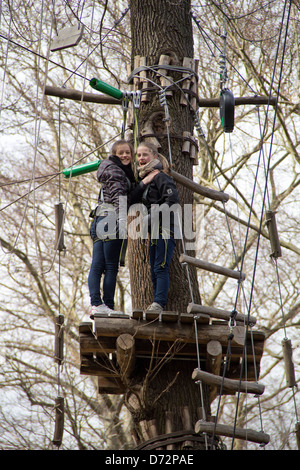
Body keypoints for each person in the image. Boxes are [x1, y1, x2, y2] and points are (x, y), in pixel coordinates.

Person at [88, 139, 157, 318]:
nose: (125, 155)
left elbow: (129, 195)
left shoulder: (110, 170)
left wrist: (142, 183)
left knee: (97, 265)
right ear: (114, 155)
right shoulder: (116, 172)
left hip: (98, 219)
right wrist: (121, 222)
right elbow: (120, 198)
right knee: (110, 267)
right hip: (111, 220)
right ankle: (106, 305)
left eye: (128, 152)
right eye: (121, 153)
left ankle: (95, 304)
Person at [136, 141, 180, 314]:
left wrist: (152, 216)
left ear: (154, 156)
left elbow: (173, 201)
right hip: (154, 230)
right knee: (154, 269)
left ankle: (159, 303)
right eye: (138, 155)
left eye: (145, 154)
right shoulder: (145, 180)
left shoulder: (161, 176)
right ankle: (157, 302)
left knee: (160, 267)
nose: (141, 158)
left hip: (166, 228)